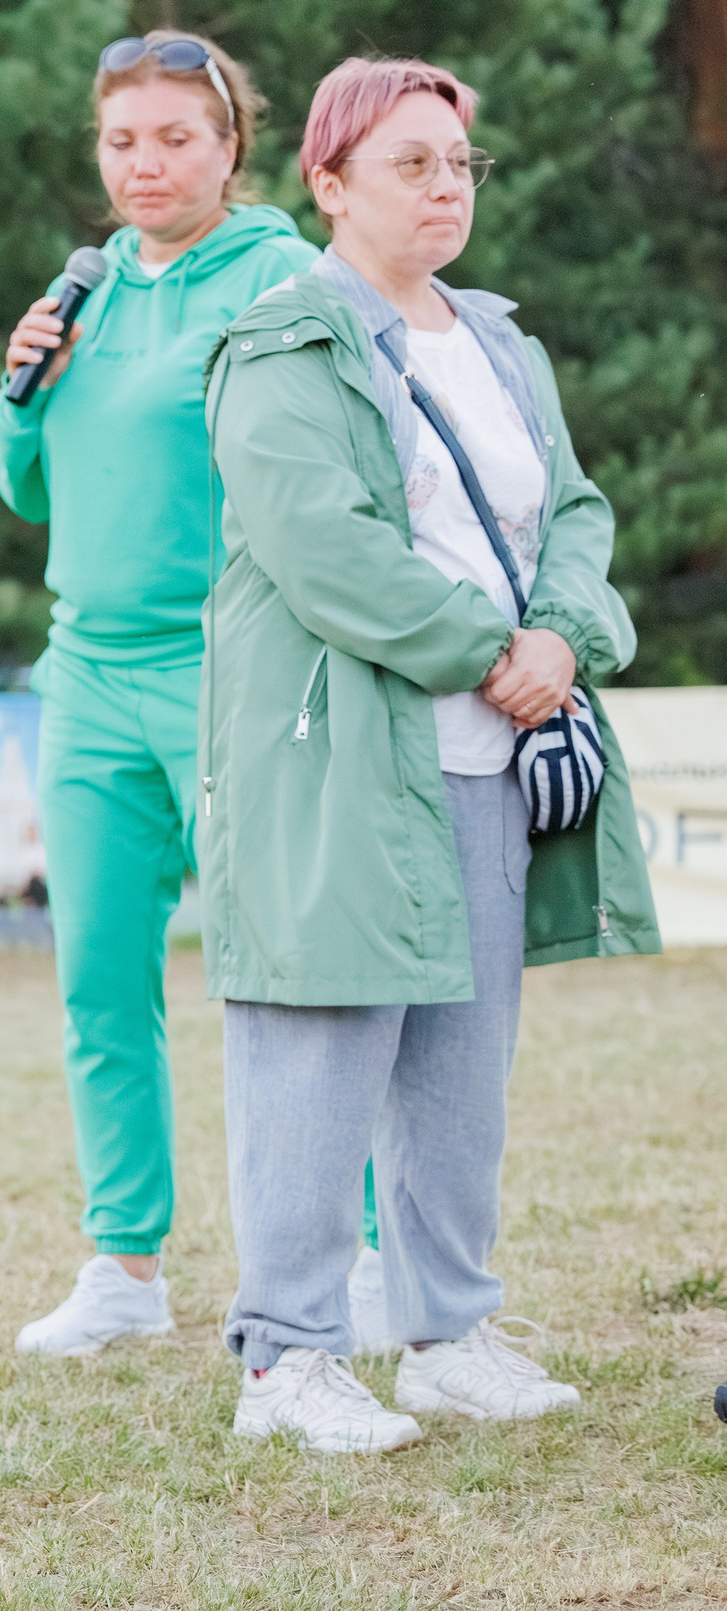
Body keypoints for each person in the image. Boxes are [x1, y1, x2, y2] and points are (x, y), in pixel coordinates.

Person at [202, 57, 658, 1452]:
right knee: (318, 1048)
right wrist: (493, 652)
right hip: (341, 757)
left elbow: (574, 512)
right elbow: (324, 549)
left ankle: (447, 1333)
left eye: (461, 164)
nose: (446, 187)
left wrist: (565, 638)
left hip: (490, 758)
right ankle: (284, 1363)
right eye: (412, 164)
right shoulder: (284, 344)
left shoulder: (504, 342)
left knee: (463, 1067)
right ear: (329, 185)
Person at [0, 32, 322, 1355]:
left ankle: (337, 1259)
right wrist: (20, 400)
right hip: (85, 678)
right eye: (122, 140)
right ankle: (125, 1269)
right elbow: (29, 488)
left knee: (286, 980)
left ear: (231, 146)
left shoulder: (285, 277)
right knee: (98, 985)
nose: (145, 164)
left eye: (175, 137)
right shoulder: (85, 289)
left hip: (227, 672)